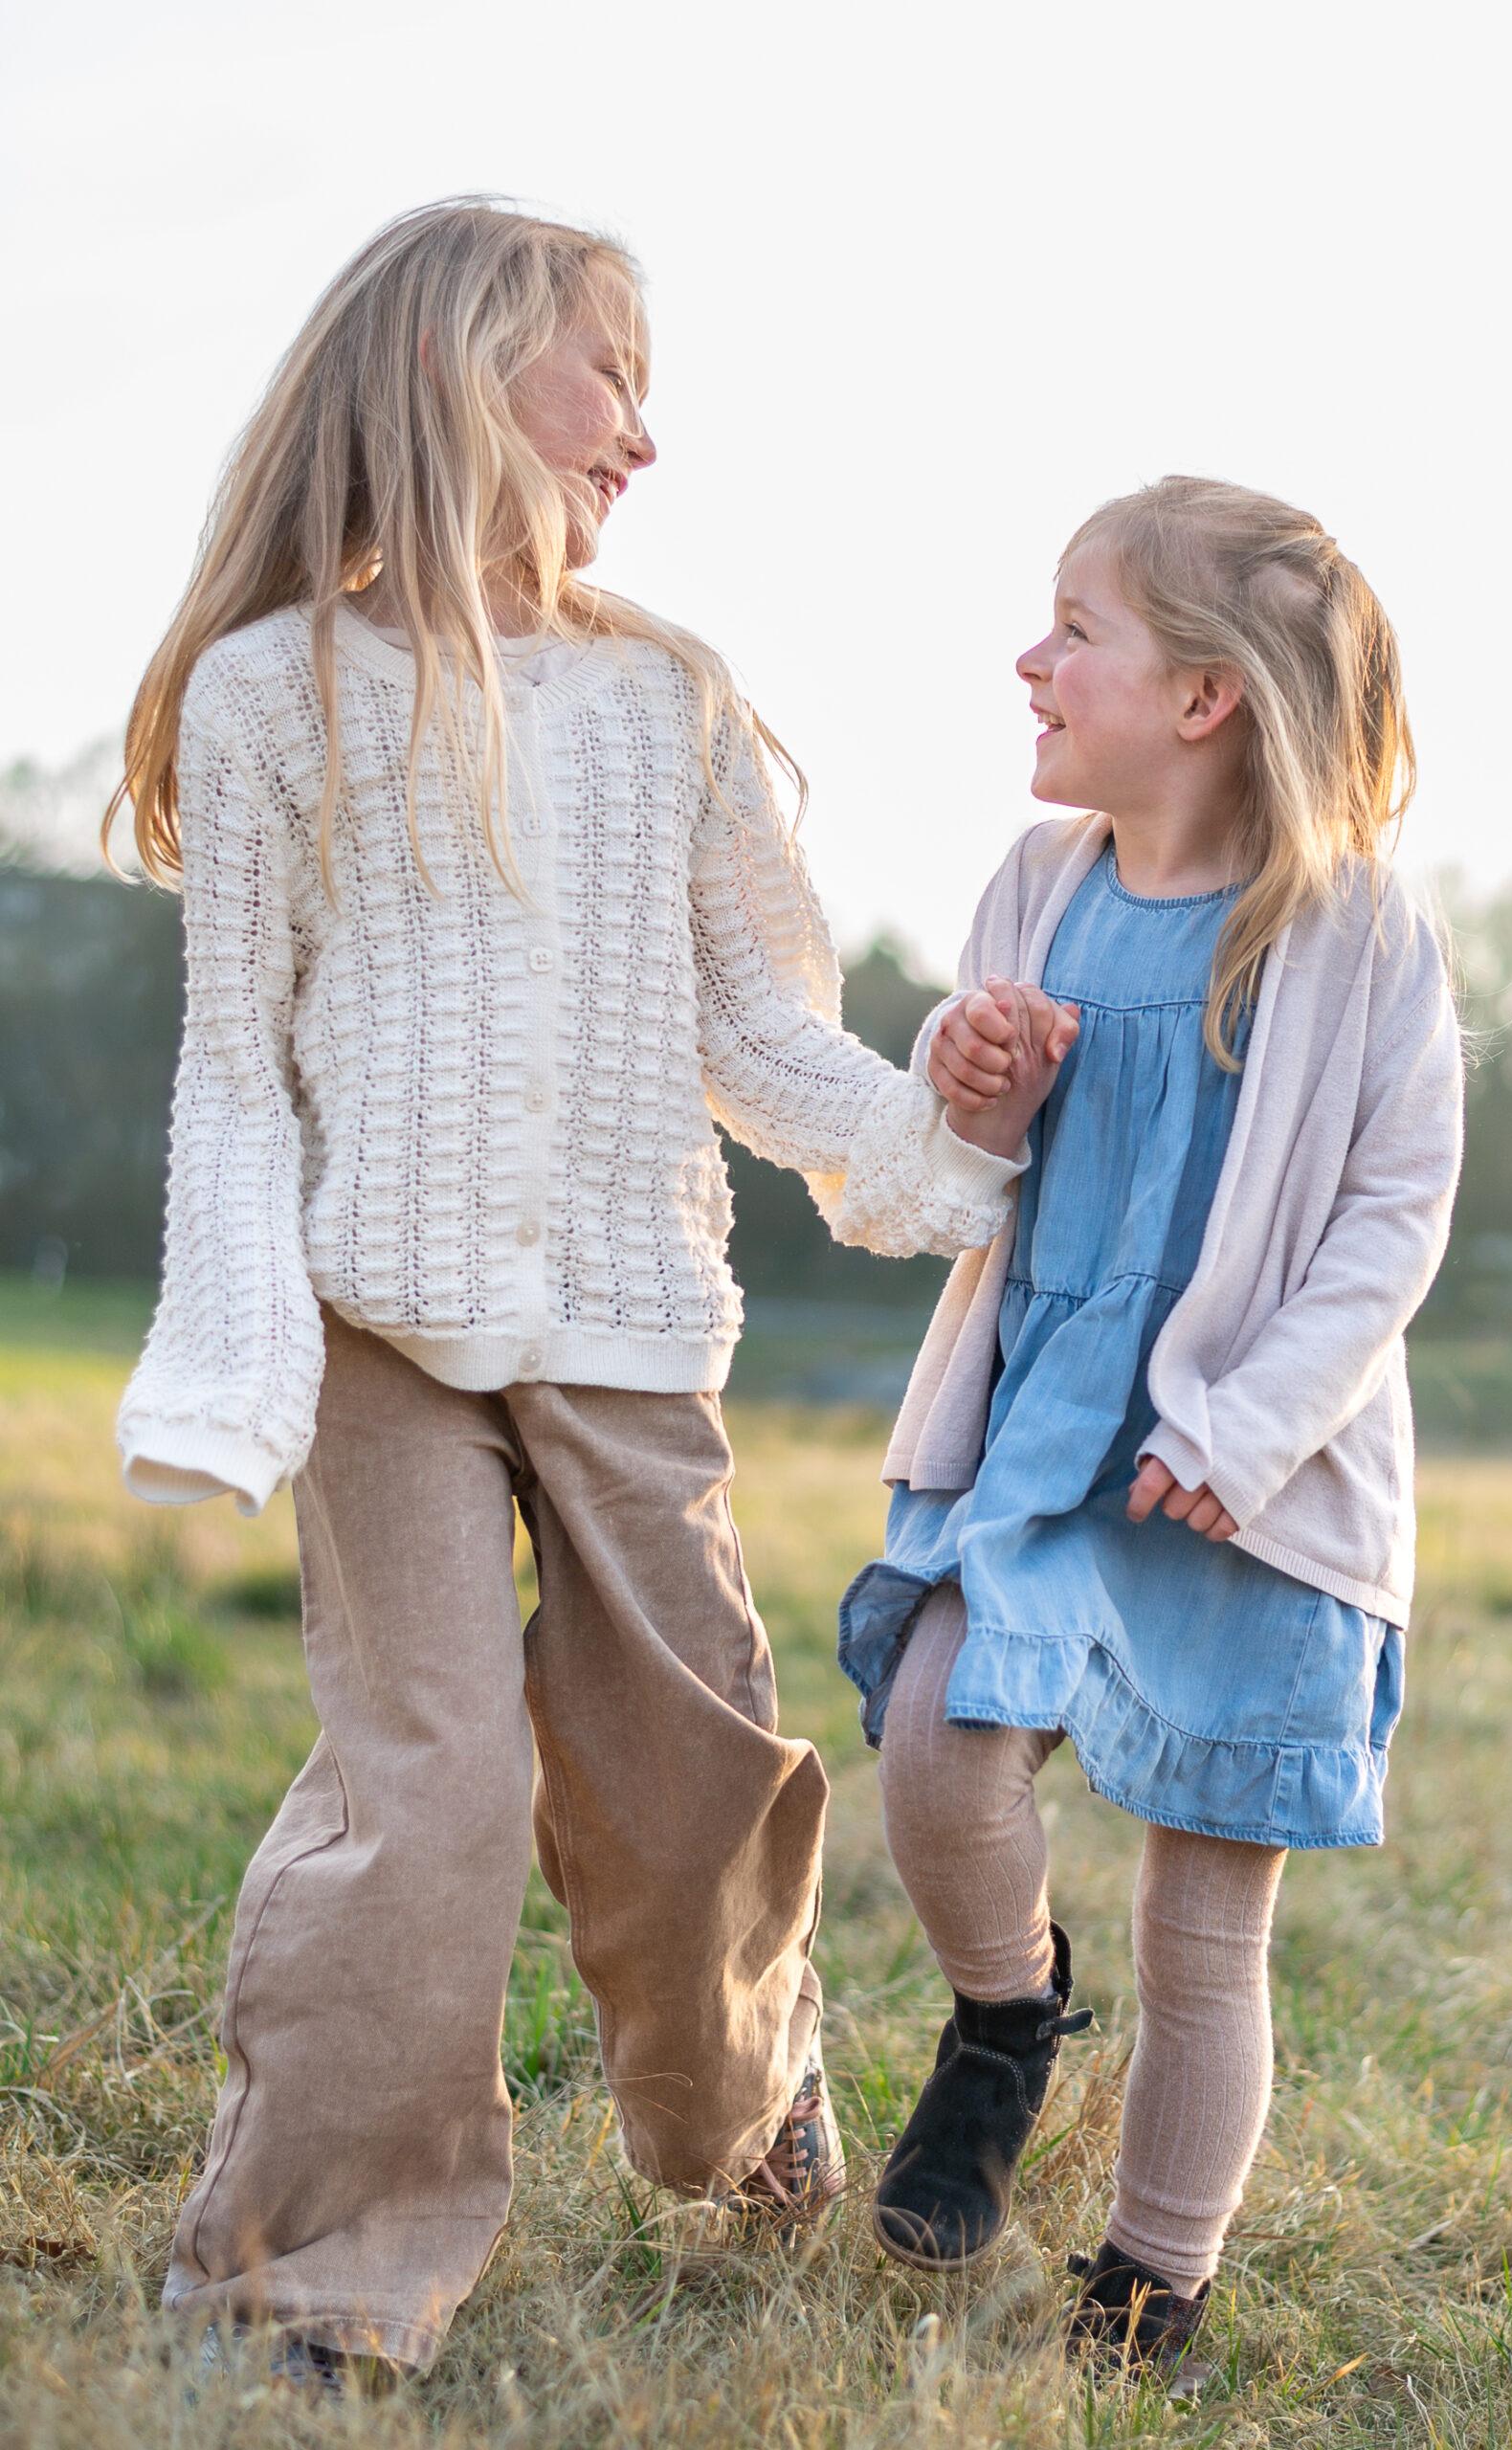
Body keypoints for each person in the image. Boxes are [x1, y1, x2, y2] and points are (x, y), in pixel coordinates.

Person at [107, 198, 1072, 2385]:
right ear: (465, 369)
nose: (645, 429)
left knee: (686, 1784)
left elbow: (759, 1027)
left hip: (630, 1320)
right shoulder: (278, 697)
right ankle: (308, 2276)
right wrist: (238, 1360)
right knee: (427, 1789)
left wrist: (947, 1115)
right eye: (610, 374)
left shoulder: (671, 704)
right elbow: (235, 1065)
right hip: (379, 1331)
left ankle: (745, 2113)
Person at [838, 476, 1462, 2375]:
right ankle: (1010, 2010)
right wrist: (975, 1082)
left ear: (1202, 695)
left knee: (1207, 1924)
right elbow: (973, 1171)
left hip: (1248, 1492)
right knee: (941, 1742)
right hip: (1043, 1438)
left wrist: (1257, 1428)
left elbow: (1391, 1217)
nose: (1032, 659)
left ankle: (1152, 2280)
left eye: (1073, 627)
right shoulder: (1040, 885)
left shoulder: (1357, 931)